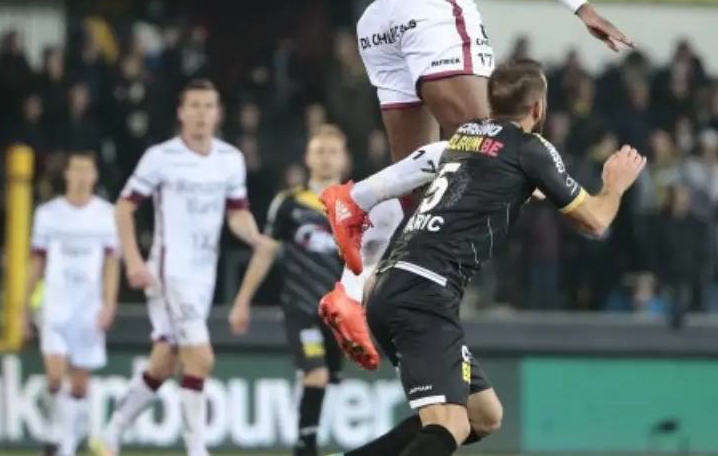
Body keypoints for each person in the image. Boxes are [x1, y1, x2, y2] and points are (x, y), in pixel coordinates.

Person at [316, 0, 634, 366]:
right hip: (435, 12)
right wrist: (582, 8)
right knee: (491, 147)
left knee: (419, 189)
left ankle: (349, 291)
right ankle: (355, 199)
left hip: (382, 19)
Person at [323, 59, 646, 456]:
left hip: (395, 285)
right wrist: (614, 186)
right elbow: (596, 221)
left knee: (483, 415)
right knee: (450, 425)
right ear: (538, 107)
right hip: (424, 294)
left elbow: (482, 175)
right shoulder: (529, 149)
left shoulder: (465, 136)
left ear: (491, 103)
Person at [91, 79, 278, 456]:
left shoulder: (230, 159)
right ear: (181, 112)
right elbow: (124, 208)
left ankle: (110, 435)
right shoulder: (161, 157)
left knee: (164, 362)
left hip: (203, 274)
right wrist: (133, 261)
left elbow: (237, 213)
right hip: (169, 272)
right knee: (202, 358)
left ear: (218, 113)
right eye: (194, 106)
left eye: (208, 106)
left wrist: (253, 236)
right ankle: (197, 448)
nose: (201, 114)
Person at [222, 124, 400, 456]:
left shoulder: (358, 206)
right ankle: (305, 449)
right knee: (315, 374)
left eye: (332, 152)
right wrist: (242, 301)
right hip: (301, 306)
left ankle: (309, 439)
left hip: (341, 313)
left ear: (344, 158)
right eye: (319, 151)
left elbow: (371, 259)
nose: (326, 158)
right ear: (307, 157)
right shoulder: (289, 204)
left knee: (330, 379)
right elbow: (266, 252)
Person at [22, 152, 120, 456]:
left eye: (86, 170)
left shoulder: (106, 214)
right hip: (55, 305)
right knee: (55, 375)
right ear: (66, 174)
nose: (81, 176)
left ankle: (66, 442)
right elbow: (37, 262)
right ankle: (57, 437)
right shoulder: (48, 214)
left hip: (88, 308)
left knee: (78, 383)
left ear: (94, 176)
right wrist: (23, 304)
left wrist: (109, 302)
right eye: (76, 170)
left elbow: (111, 262)